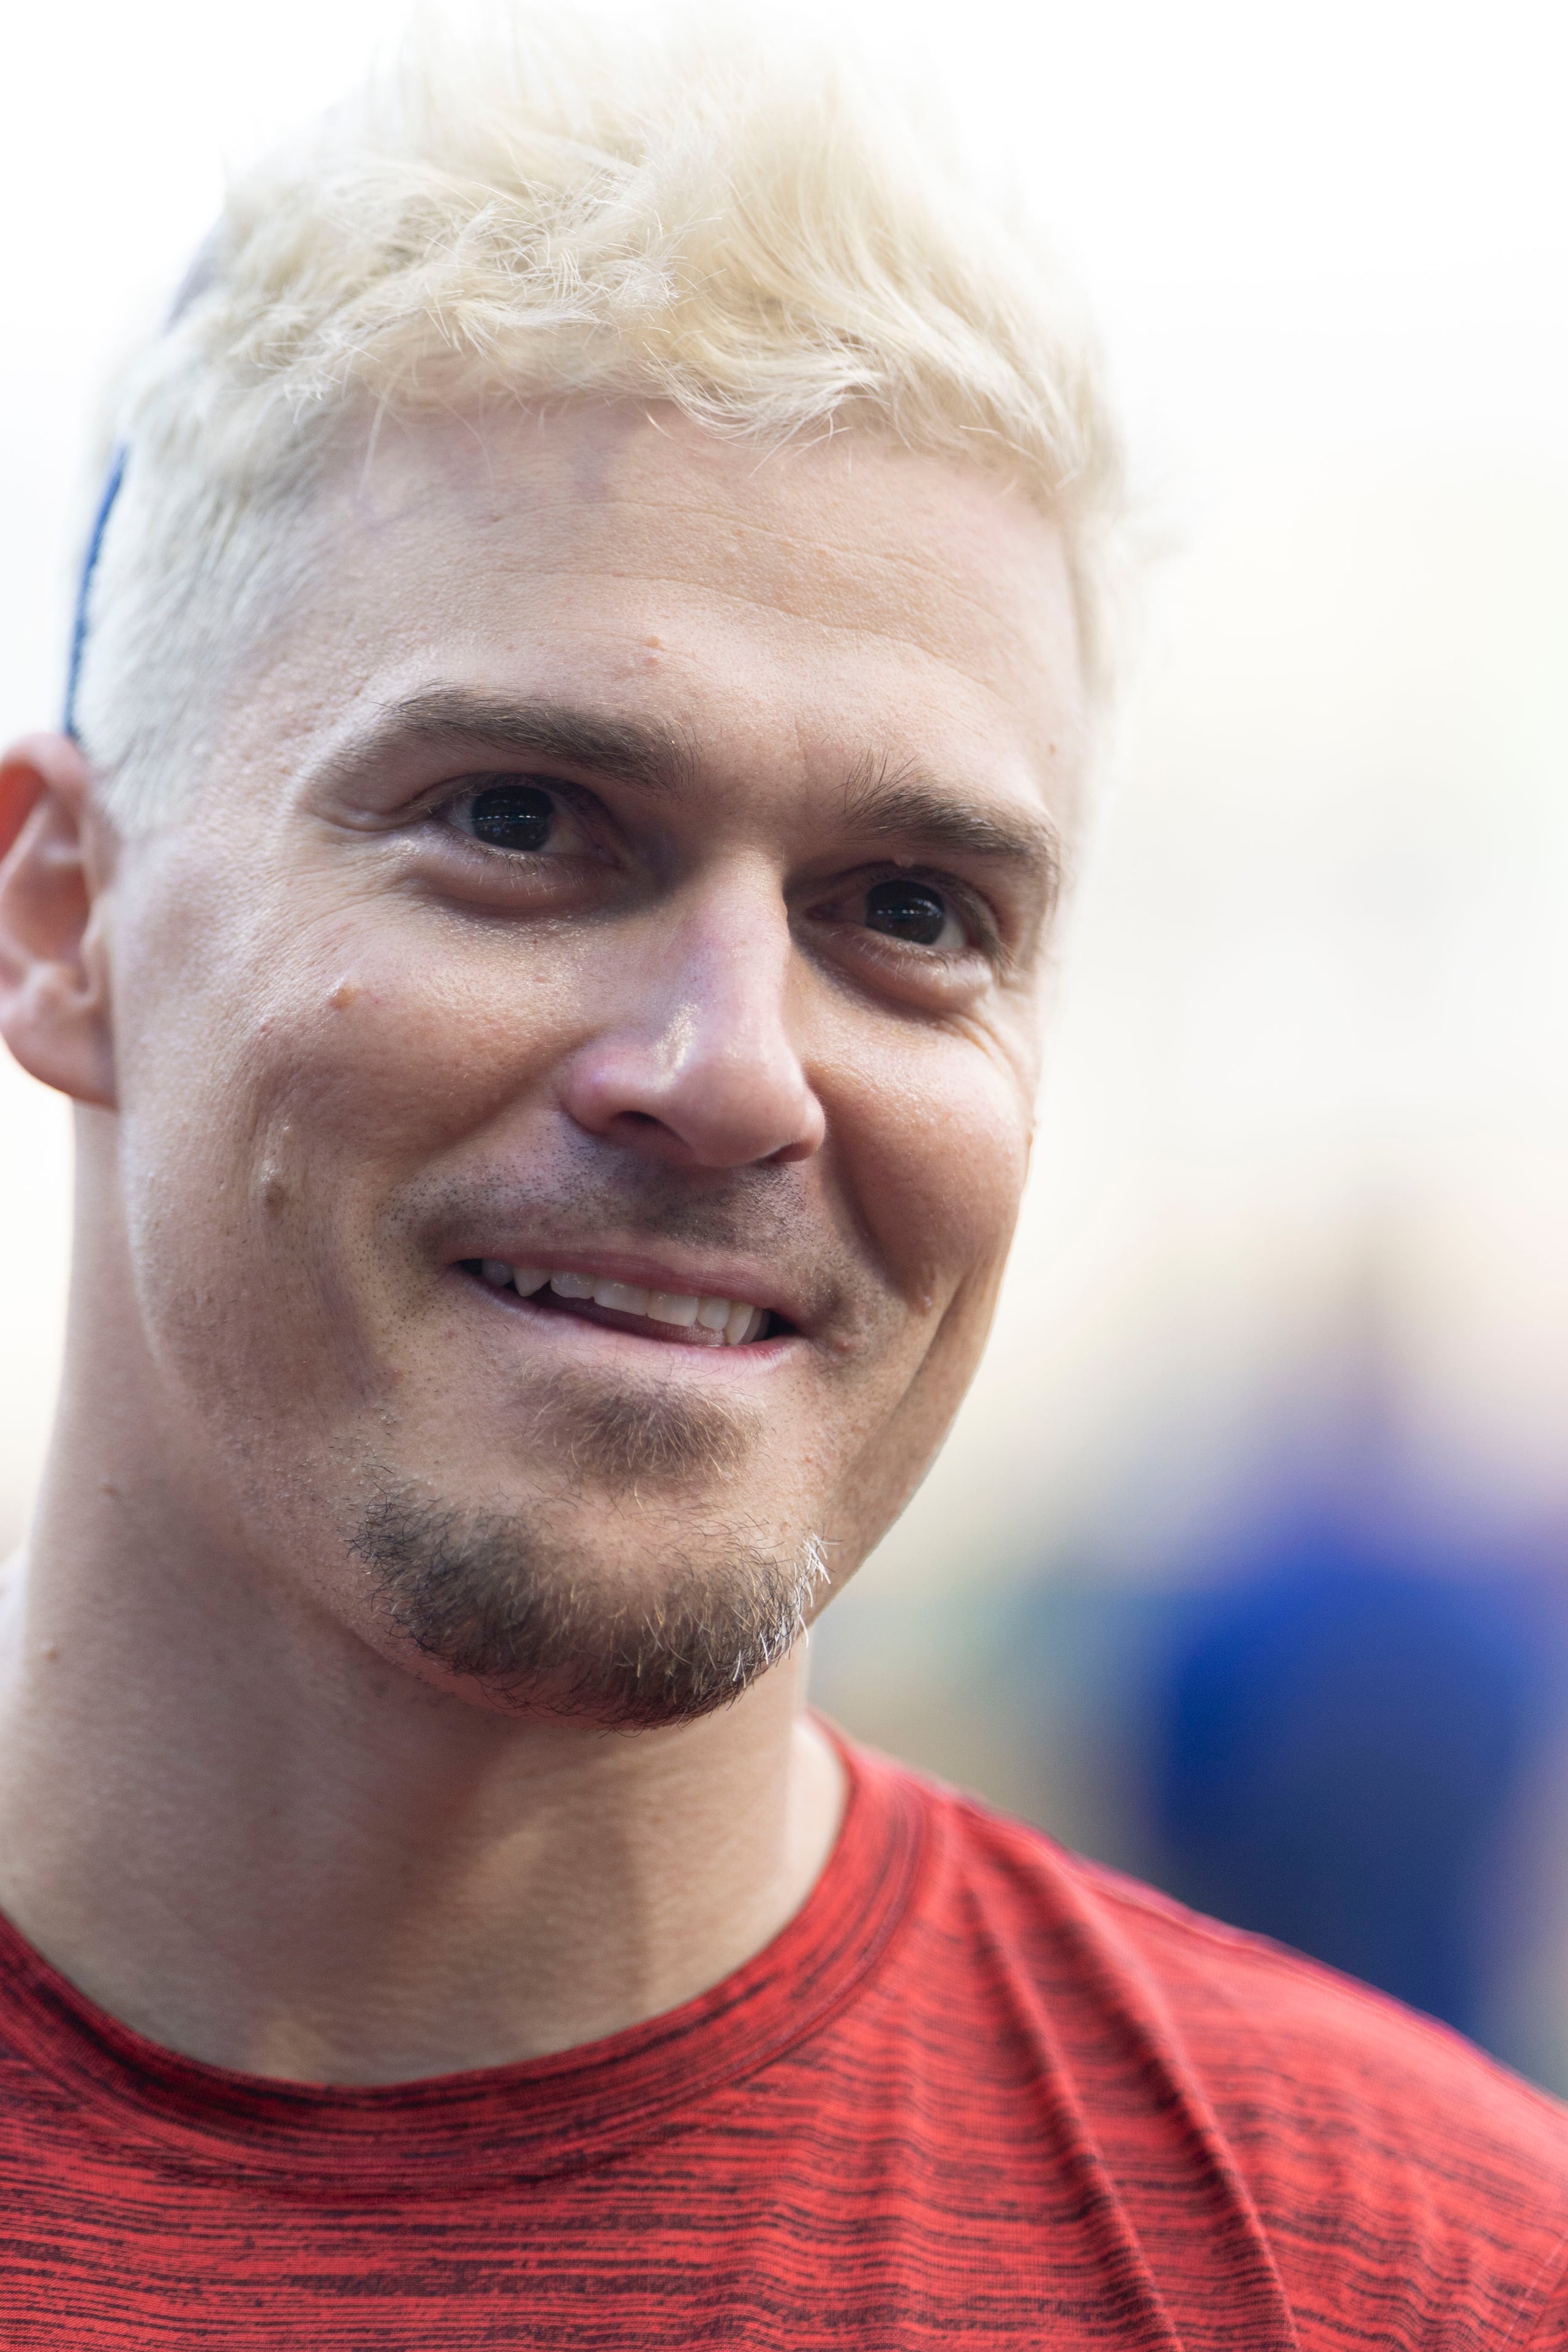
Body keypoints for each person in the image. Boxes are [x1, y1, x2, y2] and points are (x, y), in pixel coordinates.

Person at [0, 15, 1562, 2346]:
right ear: (68, 922)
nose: (734, 1075)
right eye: (521, 823)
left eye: (913, 915)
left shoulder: (1412, 2279)